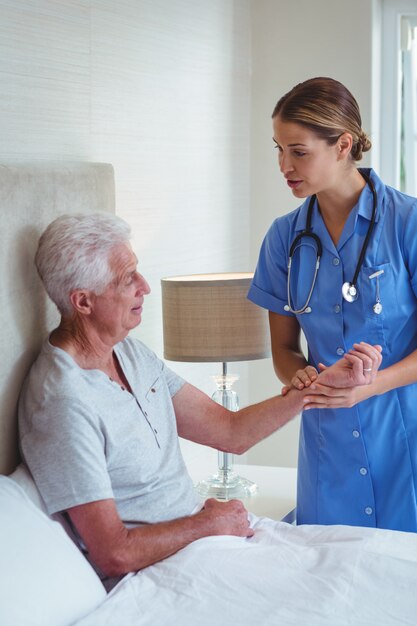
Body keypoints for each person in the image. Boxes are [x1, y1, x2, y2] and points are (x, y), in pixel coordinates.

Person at [18, 212, 381, 587]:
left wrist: (320, 383)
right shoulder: (62, 401)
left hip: (203, 540)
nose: (145, 286)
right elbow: (114, 553)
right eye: (128, 279)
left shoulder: (130, 353)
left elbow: (230, 431)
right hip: (160, 573)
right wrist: (207, 524)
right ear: (83, 302)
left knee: (366, 565)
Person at [248, 76, 417, 532]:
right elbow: (284, 349)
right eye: (278, 150)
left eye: (298, 151)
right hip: (327, 446)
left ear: (343, 145)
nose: (284, 164)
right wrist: (298, 375)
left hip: (405, 440)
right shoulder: (284, 237)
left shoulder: (409, 224)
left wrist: (372, 385)